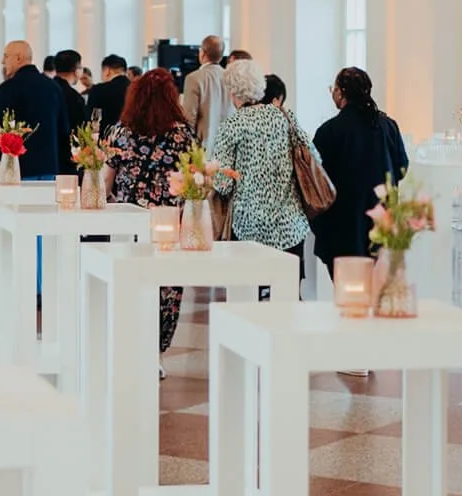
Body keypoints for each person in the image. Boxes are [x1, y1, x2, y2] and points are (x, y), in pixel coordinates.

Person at [104, 69, 195, 353]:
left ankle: (129, 348)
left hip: (126, 223)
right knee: (165, 288)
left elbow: (105, 179)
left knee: (128, 284)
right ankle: (156, 351)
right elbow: (193, 179)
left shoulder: (120, 132)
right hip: (167, 224)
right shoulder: (182, 135)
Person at [208, 58, 315, 280]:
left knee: (249, 297)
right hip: (289, 225)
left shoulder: (232, 125)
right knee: (287, 295)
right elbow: (313, 157)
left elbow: (223, 183)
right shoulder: (285, 116)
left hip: (248, 227)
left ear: (233, 92)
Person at [311, 67, 410, 270]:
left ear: (340, 93)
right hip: (381, 217)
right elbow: (402, 166)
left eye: (333, 89)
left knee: (347, 289)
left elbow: (316, 179)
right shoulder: (387, 126)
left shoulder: (329, 131)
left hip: (342, 224)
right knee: (377, 285)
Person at [0, 40, 65, 180]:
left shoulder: (9, 88)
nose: (2, 62)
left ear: (18, 58)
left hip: (19, 169)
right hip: (50, 167)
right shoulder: (53, 87)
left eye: (6, 56)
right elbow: (63, 130)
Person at [181, 35, 232, 147]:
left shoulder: (193, 78)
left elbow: (189, 118)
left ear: (202, 53)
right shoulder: (231, 78)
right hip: (229, 145)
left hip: (204, 145)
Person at [50, 48, 90, 170]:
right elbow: (82, 131)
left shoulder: (46, 90)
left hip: (47, 156)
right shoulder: (75, 98)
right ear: (76, 70)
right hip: (68, 158)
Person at [85, 54, 131, 133]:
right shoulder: (137, 89)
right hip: (131, 139)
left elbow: (92, 120)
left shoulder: (98, 90)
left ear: (107, 71)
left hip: (106, 139)